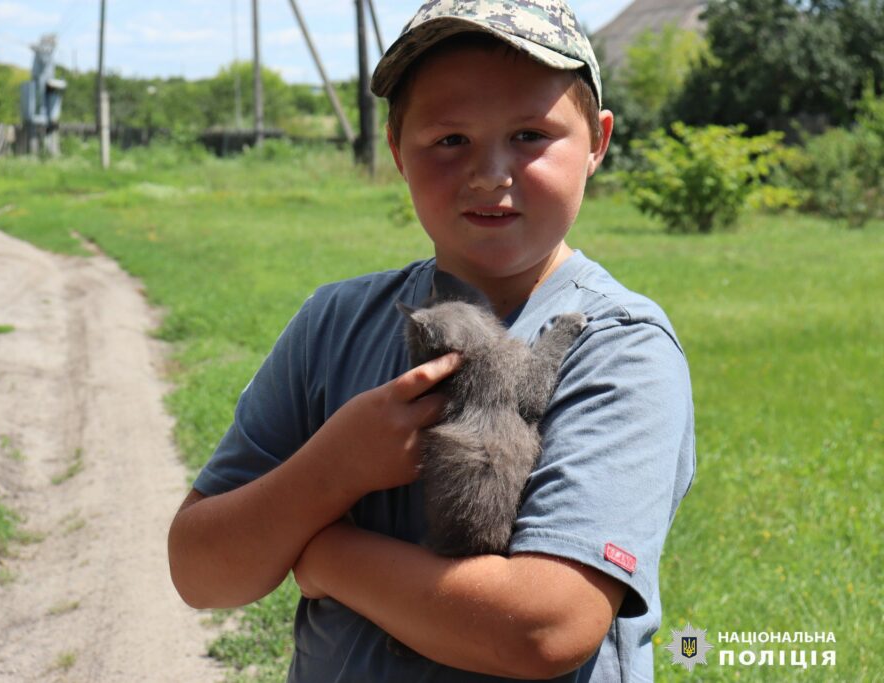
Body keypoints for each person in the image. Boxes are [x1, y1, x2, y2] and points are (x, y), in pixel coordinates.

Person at [168, 1, 695, 680]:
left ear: (597, 142)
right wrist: (336, 465)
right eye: (450, 140)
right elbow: (199, 571)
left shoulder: (618, 347)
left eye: (531, 135)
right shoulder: (333, 323)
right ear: (396, 149)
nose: (489, 173)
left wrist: (331, 556)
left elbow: (544, 627)